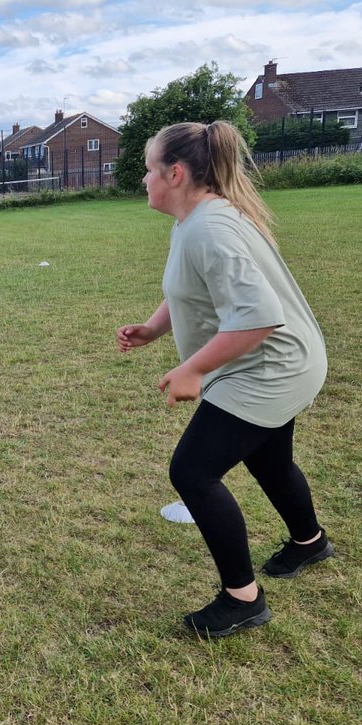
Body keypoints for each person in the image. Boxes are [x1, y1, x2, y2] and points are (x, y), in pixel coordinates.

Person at [115, 120, 332, 638]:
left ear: (175, 172)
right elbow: (189, 289)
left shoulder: (211, 227)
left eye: (148, 170)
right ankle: (309, 542)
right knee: (270, 459)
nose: (142, 181)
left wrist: (193, 367)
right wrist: (153, 329)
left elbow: (258, 318)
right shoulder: (195, 220)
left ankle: (243, 599)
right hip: (283, 362)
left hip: (270, 368)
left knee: (193, 471)